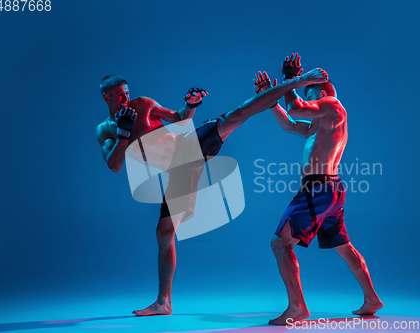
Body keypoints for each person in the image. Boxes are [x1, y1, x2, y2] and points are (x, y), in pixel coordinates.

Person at [95, 68, 328, 316]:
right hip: (179, 171)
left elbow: (179, 118)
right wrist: (123, 134)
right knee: (164, 233)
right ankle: (164, 303)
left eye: (126, 93)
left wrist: (191, 104)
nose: (125, 99)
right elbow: (115, 165)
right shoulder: (105, 130)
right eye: (119, 96)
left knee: (239, 113)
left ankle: (296, 82)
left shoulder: (143, 104)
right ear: (106, 97)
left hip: (189, 146)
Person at [254, 54, 382, 325]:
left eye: (309, 94)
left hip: (319, 188)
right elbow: (289, 124)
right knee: (344, 246)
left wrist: (290, 81)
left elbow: (297, 109)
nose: (307, 99)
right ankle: (372, 299)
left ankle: (297, 308)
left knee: (280, 243)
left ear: (322, 93)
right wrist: (271, 99)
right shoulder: (324, 121)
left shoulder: (331, 104)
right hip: (330, 189)